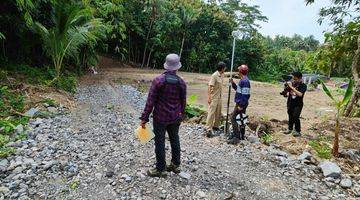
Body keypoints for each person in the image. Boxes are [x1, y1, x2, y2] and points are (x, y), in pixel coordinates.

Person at [139, 54, 187, 177]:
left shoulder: (158, 81)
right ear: (177, 67)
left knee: (159, 142)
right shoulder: (181, 83)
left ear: (166, 65)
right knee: (174, 139)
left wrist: (144, 119)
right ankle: (176, 165)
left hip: (160, 117)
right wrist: (181, 116)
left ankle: (161, 169)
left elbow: (150, 102)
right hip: (175, 117)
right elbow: (183, 103)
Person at [228, 65, 251, 145]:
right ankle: (242, 135)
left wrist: (241, 105)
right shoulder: (243, 80)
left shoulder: (244, 81)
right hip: (241, 103)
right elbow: (238, 89)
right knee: (241, 119)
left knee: (233, 118)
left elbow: (245, 95)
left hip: (241, 103)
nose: (238, 72)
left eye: (239, 71)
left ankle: (236, 137)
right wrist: (233, 83)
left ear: (240, 72)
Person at [205, 62, 226, 137]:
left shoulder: (222, 75)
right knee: (211, 112)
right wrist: (209, 97)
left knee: (218, 112)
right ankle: (208, 128)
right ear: (222, 68)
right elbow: (210, 86)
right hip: (214, 97)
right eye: (225, 68)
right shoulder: (214, 75)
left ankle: (216, 126)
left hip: (219, 97)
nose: (225, 69)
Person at [283, 72, 307, 137]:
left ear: (300, 78)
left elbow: (300, 94)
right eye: (293, 79)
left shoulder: (303, 85)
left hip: (298, 104)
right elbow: (287, 94)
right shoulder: (292, 84)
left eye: (295, 79)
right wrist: (285, 92)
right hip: (290, 103)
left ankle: (297, 131)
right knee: (290, 116)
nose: (294, 80)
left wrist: (291, 87)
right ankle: (290, 129)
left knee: (296, 117)